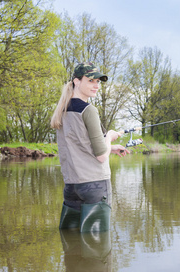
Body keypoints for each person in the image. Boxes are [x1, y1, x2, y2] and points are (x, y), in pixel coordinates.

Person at [51, 62, 130, 232]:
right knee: (97, 249)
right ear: (77, 81)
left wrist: (112, 146)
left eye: (98, 82)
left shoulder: (62, 110)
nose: (96, 86)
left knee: (71, 240)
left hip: (71, 186)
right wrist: (109, 136)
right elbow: (101, 156)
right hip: (94, 185)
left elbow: (81, 144)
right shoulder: (88, 110)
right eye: (91, 81)